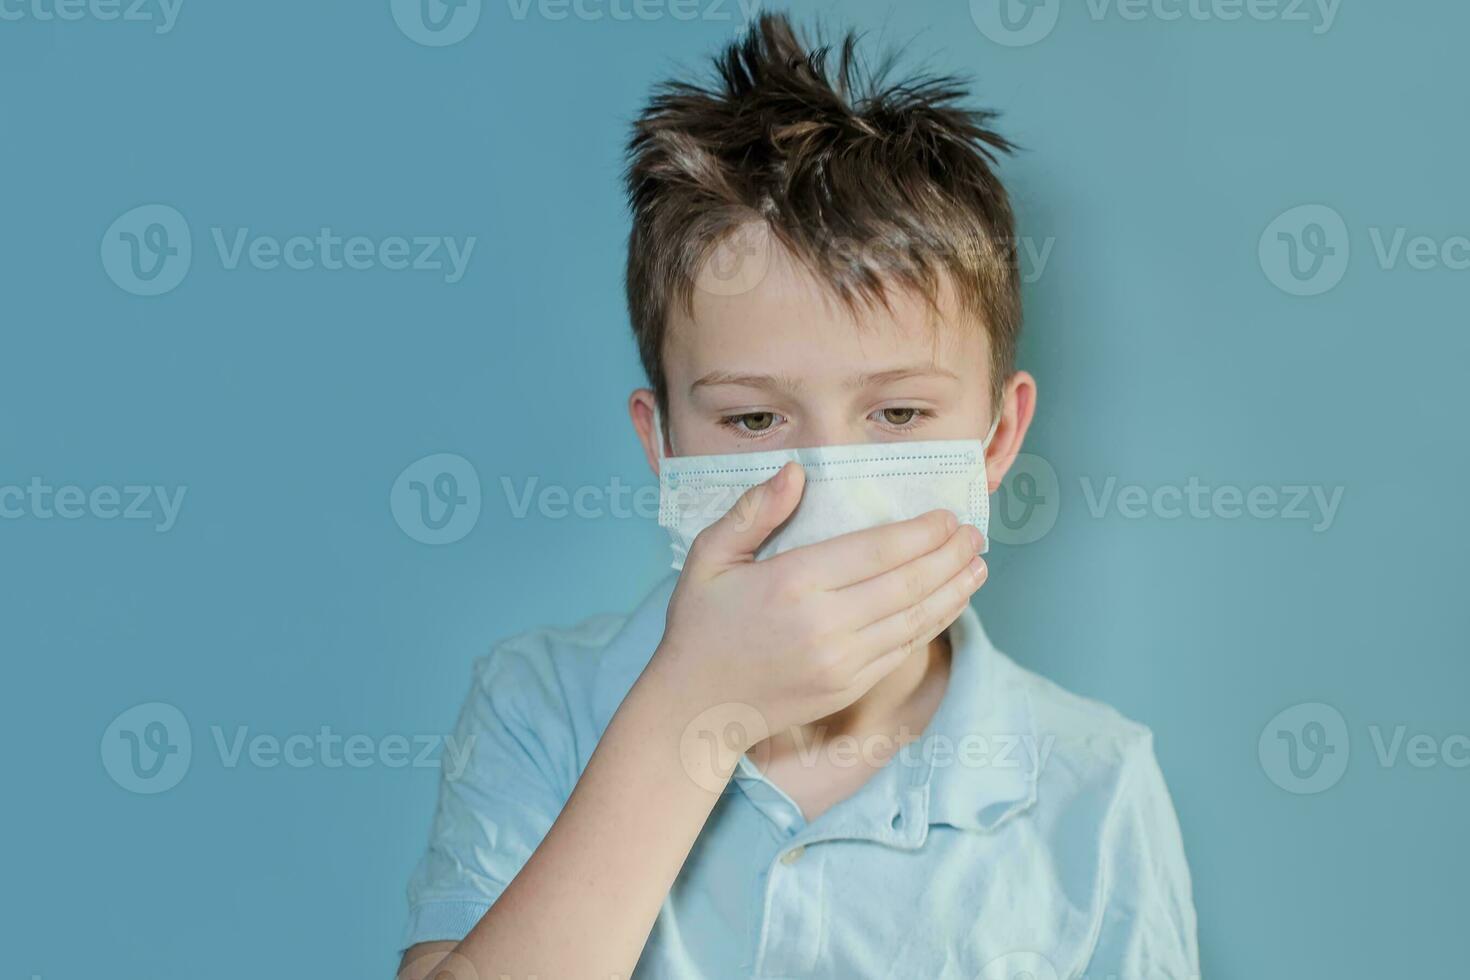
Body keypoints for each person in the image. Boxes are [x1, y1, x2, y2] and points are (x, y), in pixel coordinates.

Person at [398, 13, 1198, 979]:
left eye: (899, 415)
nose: (824, 489)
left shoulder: (1097, 785)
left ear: (996, 438)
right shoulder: (541, 707)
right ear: (662, 444)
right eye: (751, 422)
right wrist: (697, 710)